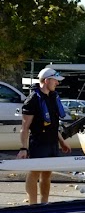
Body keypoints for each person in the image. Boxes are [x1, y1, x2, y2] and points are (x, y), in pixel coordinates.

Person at [16, 68, 72, 204]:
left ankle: (44, 203)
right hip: (39, 142)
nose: (57, 84)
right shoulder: (32, 100)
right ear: (46, 81)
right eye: (55, 81)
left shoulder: (52, 97)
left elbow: (53, 125)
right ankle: (33, 205)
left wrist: (62, 142)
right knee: (34, 173)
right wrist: (24, 148)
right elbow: (24, 128)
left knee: (47, 174)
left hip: (52, 142)